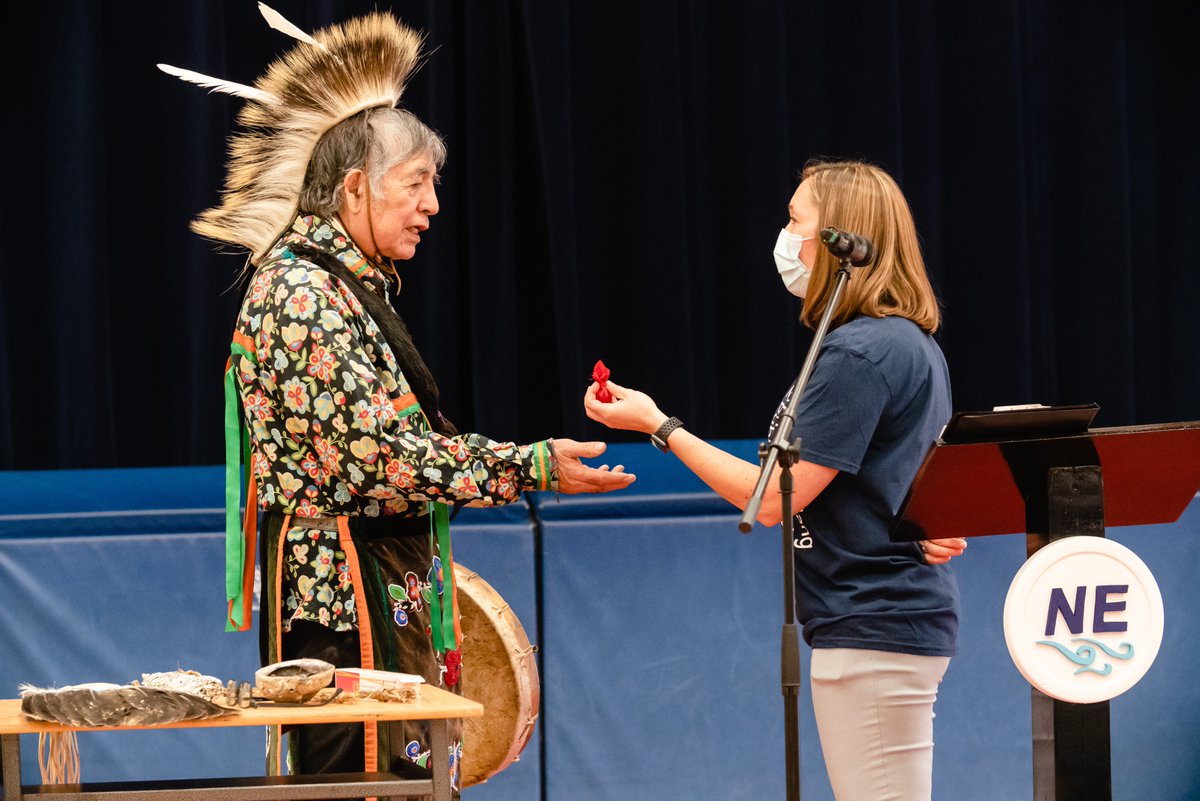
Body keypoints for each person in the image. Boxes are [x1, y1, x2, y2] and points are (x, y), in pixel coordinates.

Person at [161, 8, 633, 789]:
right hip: (340, 603)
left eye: (433, 185)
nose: (433, 205)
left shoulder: (342, 287)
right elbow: (380, 462)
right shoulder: (304, 294)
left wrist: (527, 466)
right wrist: (531, 465)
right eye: (417, 183)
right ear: (353, 187)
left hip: (373, 586)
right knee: (363, 779)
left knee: (400, 775)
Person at [584, 159, 966, 801]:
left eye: (796, 221)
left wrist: (660, 426)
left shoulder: (860, 354)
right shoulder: (903, 343)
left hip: (871, 622)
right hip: (885, 621)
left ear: (844, 239)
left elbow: (768, 498)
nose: (785, 238)